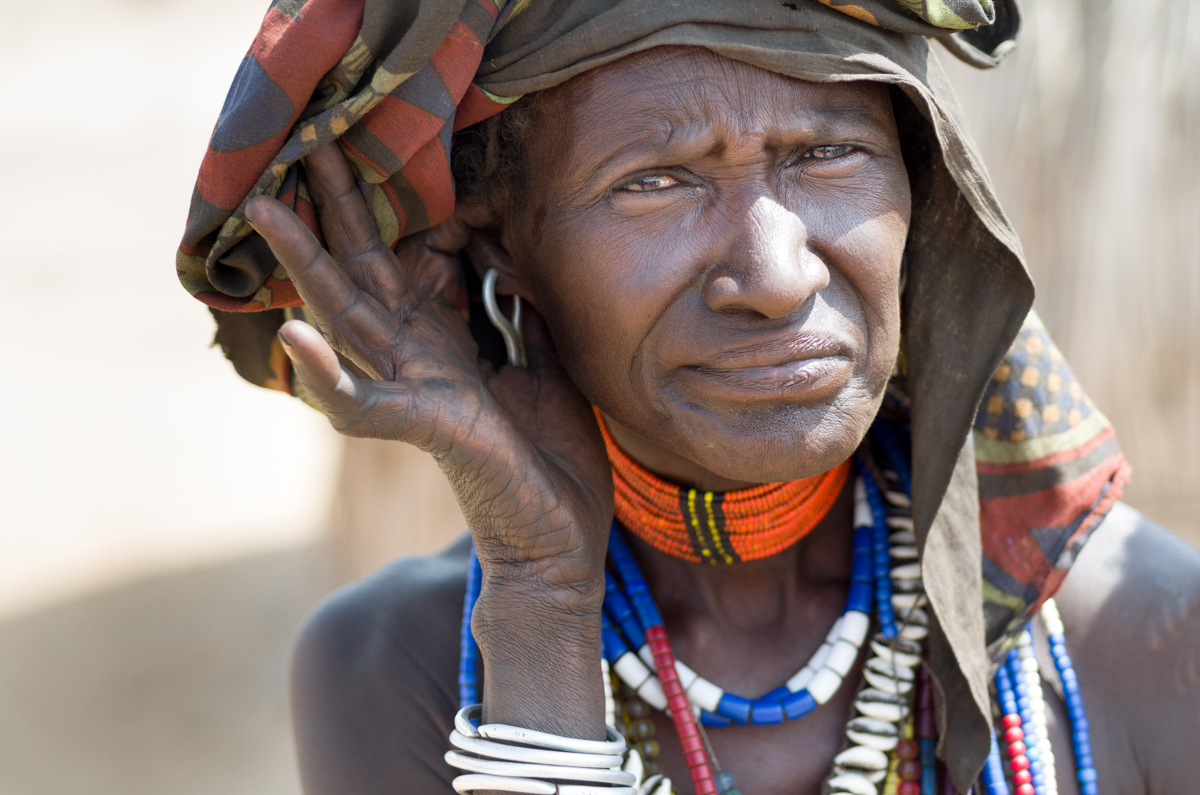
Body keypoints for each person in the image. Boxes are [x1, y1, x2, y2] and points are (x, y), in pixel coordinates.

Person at [177, 1, 1200, 793]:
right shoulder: (392, 668)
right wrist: (539, 593)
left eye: (828, 154)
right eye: (657, 179)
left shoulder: (1145, 635)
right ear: (501, 245)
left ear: (920, 198)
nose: (777, 273)